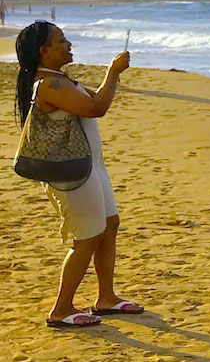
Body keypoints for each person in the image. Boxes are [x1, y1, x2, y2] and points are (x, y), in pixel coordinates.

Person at [14, 21, 143, 328]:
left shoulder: (59, 80)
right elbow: (97, 107)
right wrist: (113, 71)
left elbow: (92, 102)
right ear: (44, 52)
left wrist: (110, 77)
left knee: (109, 225)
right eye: (61, 41)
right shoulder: (49, 85)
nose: (68, 44)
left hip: (89, 168)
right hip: (72, 175)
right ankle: (61, 309)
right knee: (87, 237)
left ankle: (106, 298)